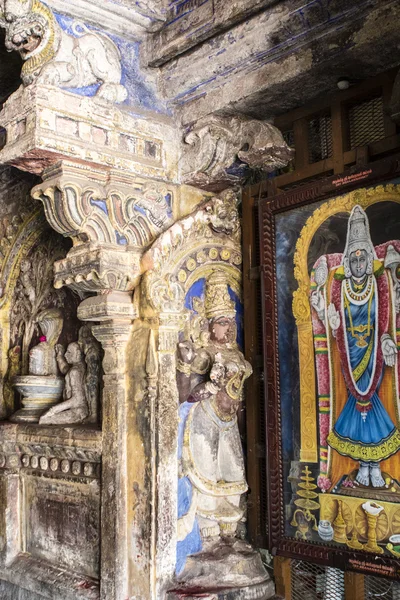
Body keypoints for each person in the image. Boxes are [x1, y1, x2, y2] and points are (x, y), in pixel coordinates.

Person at [311, 205, 400, 488]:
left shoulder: (379, 284)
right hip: (349, 356)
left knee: (373, 408)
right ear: (348, 260)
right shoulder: (340, 287)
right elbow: (333, 324)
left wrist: (386, 341)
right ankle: (363, 465)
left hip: (373, 356)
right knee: (356, 408)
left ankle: (376, 465)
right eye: (355, 258)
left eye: (364, 257)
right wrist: (329, 318)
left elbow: (385, 320)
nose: (360, 263)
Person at [175, 271, 252, 574]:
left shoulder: (238, 354)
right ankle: (208, 538)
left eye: (231, 322)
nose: (229, 328)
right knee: (207, 474)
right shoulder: (204, 355)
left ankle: (229, 536)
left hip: (230, 423)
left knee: (233, 472)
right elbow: (184, 394)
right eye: (222, 322)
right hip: (205, 421)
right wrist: (206, 384)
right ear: (208, 326)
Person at [39, 342, 88, 425]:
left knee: (44, 420)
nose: (66, 355)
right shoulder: (78, 367)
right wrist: (59, 356)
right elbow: (64, 369)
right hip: (76, 409)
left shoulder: (75, 371)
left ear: (78, 354)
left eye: (69, 352)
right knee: (44, 418)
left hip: (78, 411)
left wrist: (53, 410)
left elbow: (77, 399)